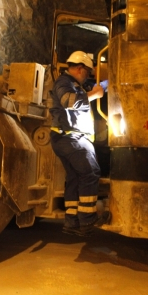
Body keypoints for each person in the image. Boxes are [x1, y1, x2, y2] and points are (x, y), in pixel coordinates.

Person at [49, 50, 111, 236]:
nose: (88, 76)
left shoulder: (76, 84)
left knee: (75, 178)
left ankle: (72, 221)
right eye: (88, 72)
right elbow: (69, 102)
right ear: (80, 68)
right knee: (90, 174)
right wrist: (93, 95)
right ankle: (87, 219)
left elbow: (99, 86)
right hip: (71, 138)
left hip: (66, 138)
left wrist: (106, 85)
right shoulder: (64, 82)